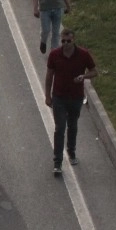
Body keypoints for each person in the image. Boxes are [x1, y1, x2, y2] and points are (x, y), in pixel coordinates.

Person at [45, 28, 97, 175]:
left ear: (74, 40)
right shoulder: (54, 55)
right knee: (60, 128)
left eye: (68, 41)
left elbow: (94, 71)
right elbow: (49, 76)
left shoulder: (83, 54)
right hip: (59, 97)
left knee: (72, 125)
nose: (65, 44)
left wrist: (84, 76)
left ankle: (71, 151)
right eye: (63, 41)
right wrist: (47, 96)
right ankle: (57, 162)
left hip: (76, 97)